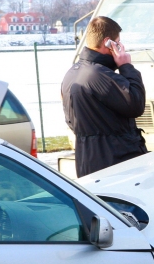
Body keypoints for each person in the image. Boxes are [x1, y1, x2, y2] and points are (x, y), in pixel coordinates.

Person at [61, 16, 148, 177]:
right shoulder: (100, 75)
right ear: (108, 43)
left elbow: (71, 122)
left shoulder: (71, 74)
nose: (121, 47)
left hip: (86, 160)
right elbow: (136, 104)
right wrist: (126, 67)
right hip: (117, 161)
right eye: (118, 42)